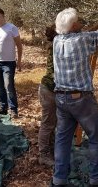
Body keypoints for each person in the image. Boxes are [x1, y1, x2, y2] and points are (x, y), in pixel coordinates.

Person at [51, 8, 98, 187]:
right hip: (82, 100)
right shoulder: (83, 40)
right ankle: (97, 177)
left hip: (61, 98)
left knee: (63, 139)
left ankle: (59, 178)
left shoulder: (56, 41)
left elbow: (83, 32)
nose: (80, 24)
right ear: (72, 26)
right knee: (95, 138)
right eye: (77, 22)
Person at [38, 25, 57, 166]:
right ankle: (43, 154)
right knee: (48, 123)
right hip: (49, 90)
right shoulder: (57, 45)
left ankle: (50, 150)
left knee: (52, 123)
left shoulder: (54, 44)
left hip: (49, 89)